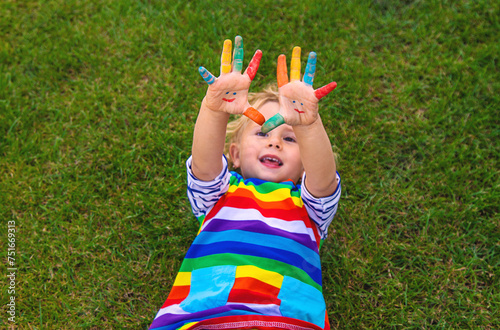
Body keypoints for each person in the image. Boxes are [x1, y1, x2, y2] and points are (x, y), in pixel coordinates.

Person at [149, 36, 341, 330]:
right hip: (205, 318)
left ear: (305, 166)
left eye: (290, 138)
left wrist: (308, 125)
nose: (275, 142)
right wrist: (215, 109)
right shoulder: (220, 195)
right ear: (234, 155)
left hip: (285, 321)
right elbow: (203, 163)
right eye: (262, 133)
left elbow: (324, 179)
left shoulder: (310, 208)